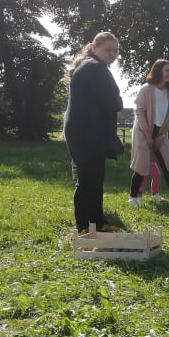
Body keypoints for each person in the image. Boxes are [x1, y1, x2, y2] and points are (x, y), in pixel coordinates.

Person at [63, 31, 124, 233]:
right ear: (95, 47)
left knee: (92, 179)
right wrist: (118, 98)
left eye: (115, 51)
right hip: (86, 133)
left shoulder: (90, 66)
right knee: (90, 181)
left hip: (84, 131)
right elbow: (114, 102)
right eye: (108, 50)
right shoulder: (95, 68)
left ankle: (95, 224)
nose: (112, 54)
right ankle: (85, 227)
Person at [128, 59, 169, 209]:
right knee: (141, 164)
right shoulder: (146, 89)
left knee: (167, 165)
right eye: (167, 70)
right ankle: (133, 198)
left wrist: (161, 135)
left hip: (160, 133)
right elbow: (139, 111)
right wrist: (147, 134)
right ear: (158, 71)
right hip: (143, 131)